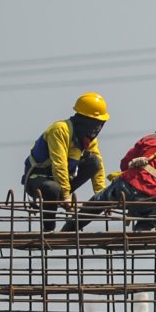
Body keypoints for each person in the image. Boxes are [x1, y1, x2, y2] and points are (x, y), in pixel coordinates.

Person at [63, 105, 156, 232]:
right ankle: (139, 235)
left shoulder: (150, 138)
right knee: (146, 226)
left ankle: (68, 230)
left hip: (128, 187)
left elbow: (125, 164)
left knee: (97, 202)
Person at [21, 92, 109, 232]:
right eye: (94, 122)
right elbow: (59, 164)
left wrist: (103, 196)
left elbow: (98, 167)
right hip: (38, 180)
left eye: (100, 123)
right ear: (83, 119)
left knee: (94, 162)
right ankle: (49, 230)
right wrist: (66, 196)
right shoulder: (60, 130)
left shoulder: (88, 138)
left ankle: (65, 208)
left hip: (63, 181)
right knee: (53, 188)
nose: (97, 127)